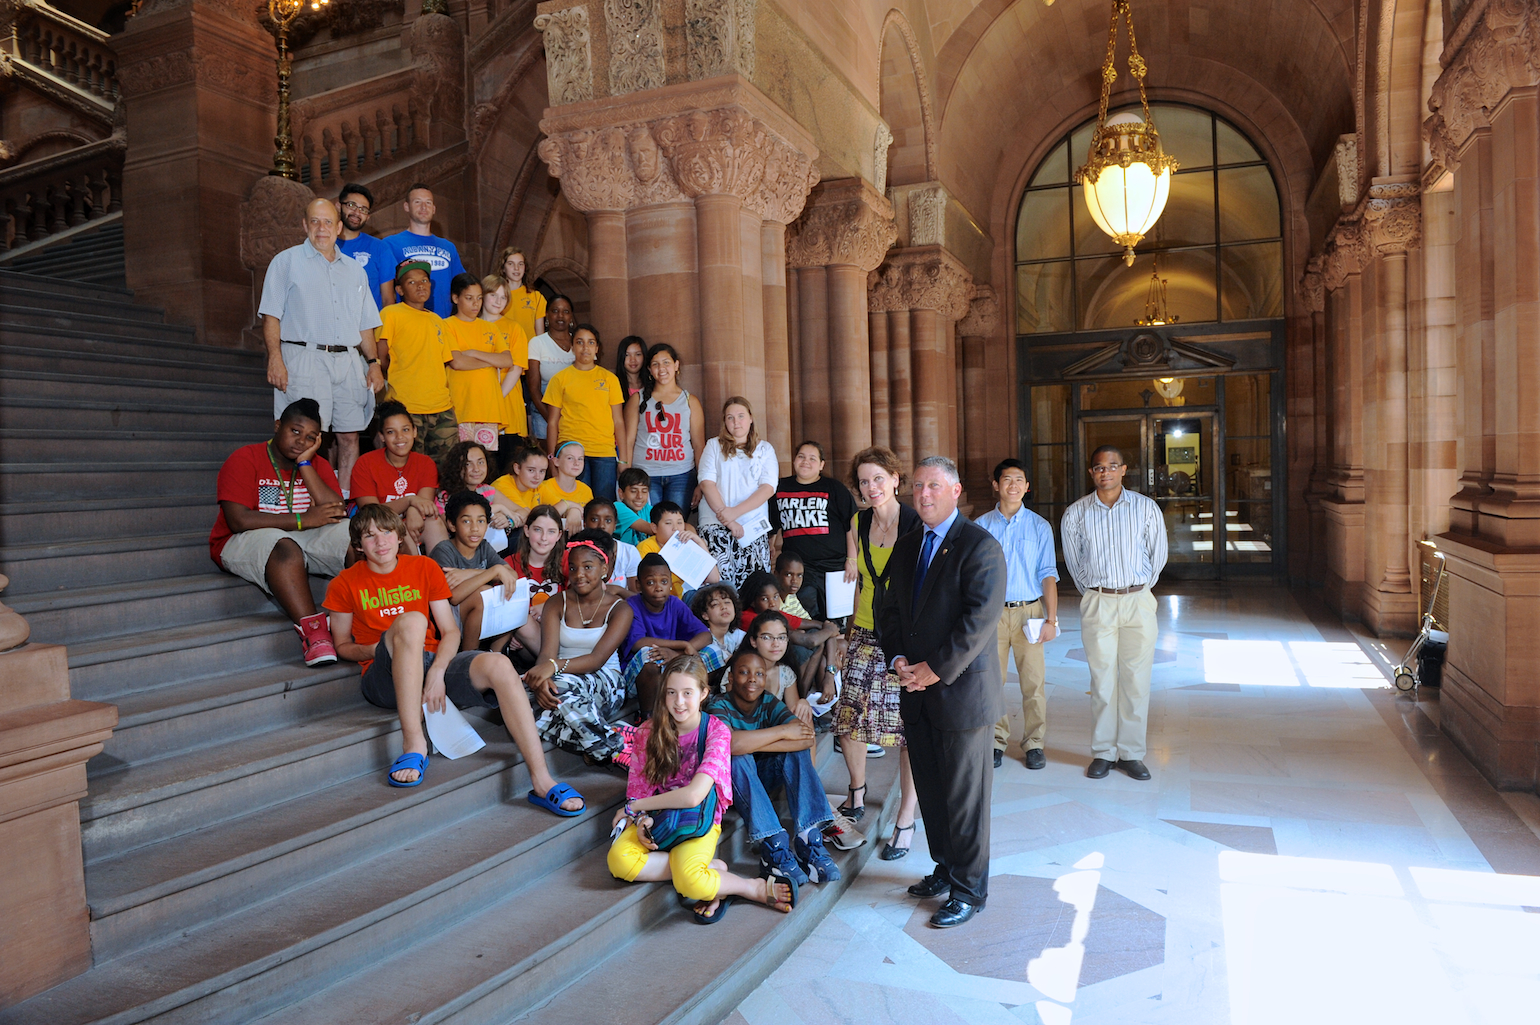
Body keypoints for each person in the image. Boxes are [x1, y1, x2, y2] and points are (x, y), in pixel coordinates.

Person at [324, 504, 585, 815]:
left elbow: (449, 632)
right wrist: (388, 647)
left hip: (432, 661)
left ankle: (542, 780)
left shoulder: (423, 568)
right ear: (358, 545)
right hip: (382, 676)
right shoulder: (344, 582)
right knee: (412, 622)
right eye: (370, 536)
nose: (380, 542)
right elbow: (342, 645)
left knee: (500, 664)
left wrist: (436, 672)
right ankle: (414, 744)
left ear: (399, 536)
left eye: (386, 532)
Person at [876, 456, 1007, 930]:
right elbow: (887, 608)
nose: (924, 495)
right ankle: (946, 868)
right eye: (917, 487)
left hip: (961, 696)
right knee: (931, 791)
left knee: (965, 798)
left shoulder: (980, 547)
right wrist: (897, 661)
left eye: (934, 486)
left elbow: (978, 622)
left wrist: (934, 669)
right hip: (914, 689)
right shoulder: (909, 545)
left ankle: (970, 890)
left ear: (955, 491)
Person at [607, 653, 795, 924]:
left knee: (691, 885)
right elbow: (640, 788)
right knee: (619, 861)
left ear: (704, 692)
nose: (678, 702)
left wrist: (633, 808)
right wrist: (640, 818)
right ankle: (709, 871)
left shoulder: (716, 732)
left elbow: (694, 794)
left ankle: (750, 887)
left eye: (687, 692)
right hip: (657, 817)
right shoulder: (648, 732)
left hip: (697, 819)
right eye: (671, 692)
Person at [209, 398, 349, 666]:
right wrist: (301, 520)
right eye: (295, 431)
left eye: (310, 437)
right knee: (283, 546)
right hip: (244, 538)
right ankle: (315, 635)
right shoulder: (245, 458)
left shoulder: (315, 463)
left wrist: (306, 465)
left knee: (359, 535)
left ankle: (370, 616)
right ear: (277, 426)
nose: (300, 441)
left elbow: (335, 511)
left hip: (301, 534)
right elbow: (238, 520)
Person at [260, 197, 385, 495]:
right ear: (305, 225)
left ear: (339, 227)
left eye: (328, 222)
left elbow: (365, 324)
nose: (321, 228)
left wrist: (373, 363)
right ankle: (302, 499)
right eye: (314, 221)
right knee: (306, 436)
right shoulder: (286, 261)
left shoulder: (355, 270)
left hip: (347, 361)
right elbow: (271, 316)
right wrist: (274, 358)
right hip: (303, 357)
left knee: (350, 435)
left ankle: (342, 503)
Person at [832, 446, 921, 856]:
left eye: (879, 479)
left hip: (905, 636)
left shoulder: (916, 523)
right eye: (864, 481)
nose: (872, 487)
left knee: (907, 731)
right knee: (848, 718)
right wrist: (848, 634)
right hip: (865, 630)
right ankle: (856, 791)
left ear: (896, 480)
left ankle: (906, 818)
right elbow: (860, 585)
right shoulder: (858, 521)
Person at [1059, 444, 1167, 782]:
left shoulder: (1146, 509)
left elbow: (1158, 554)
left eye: (1112, 466)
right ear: (1091, 473)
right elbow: (1075, 564)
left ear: (1123, 470)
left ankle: (1132, 754)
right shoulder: (1075, 514)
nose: (1105, 472)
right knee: (1102, 681)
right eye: (1099, 467)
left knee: (1136, 681)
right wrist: (1099, 592)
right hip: (1098, 601)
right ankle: (1104, 752)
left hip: (1138, 601)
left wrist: (1135, 589)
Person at [706, 649, 841, 886]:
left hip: (761, 777)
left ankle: (809, 839)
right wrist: (781, 731)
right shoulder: (719, 705)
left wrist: (758, 742)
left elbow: (806, 739)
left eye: (759, 674)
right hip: (732, 786)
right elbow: (732, 744)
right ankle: (773, 845)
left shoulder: (768, 701)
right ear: (730, 677)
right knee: (736, 758)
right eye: (744, 672)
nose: (752, 679)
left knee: (796, 751)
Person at [975, 458, 1060, 771]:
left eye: (1019, 480)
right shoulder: (981, 526)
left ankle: (1034, 743)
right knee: (990, 682)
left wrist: (1051, 620)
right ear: (996, 485)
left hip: (1029, 613)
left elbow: (1048, 573)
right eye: (1006, 479)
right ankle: (996, 741)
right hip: (991, 615)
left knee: (1033, 683)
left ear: (1027, 486)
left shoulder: (1039, 526)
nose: (1013, 485)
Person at [520, 531, 634, 760]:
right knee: (514, 698)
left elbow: (596, 660)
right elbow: (546, 653)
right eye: (573, 568)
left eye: (588, 567)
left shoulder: (621, 609)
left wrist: (551, 669)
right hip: (560, 678)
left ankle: (606, 748)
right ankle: (609, 742)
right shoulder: (556, 603)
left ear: (604, 569)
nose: (579, 574)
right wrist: (543, 680)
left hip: (605, 680)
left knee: (556, 693)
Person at [376, 260, 457, 462]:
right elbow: (380, 357)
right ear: (399, 290)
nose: (420, 285)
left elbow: (444, 362)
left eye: (424, 280)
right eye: (412, 282)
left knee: (447, 468)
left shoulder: (437, 320)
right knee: (409, 466)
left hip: (441, 408)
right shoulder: (391, 314)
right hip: (407, 408)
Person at [770, 441, 859, 620]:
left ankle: (835, 647)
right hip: (800, 568)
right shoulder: (779, 488)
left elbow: (850, 525)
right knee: (806, 617)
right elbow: (772, 525)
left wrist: (852, 559)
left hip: (834, 565)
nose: (805, 462)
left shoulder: (834, 488)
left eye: (812, 458)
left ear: (821, 465)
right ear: (794, 460)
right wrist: (770, 550)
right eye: (801, 456)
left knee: (836, 619)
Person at [622, 554, 722, 712]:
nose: (658, 587)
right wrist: (683, 646)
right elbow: (638, 643)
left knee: (714, 651)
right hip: (640, 677)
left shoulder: (675, 603)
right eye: (650, 582)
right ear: (638, 585)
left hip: (673, 665)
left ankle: (698, 704)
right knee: (648, 655)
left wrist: (677, 654)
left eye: (664, 581)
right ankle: (650, 717)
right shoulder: (631, 605)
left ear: (670, 582)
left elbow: (706, 635)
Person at [697, 397, 777, 590]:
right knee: (722, 590)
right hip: (716, 527)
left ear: (750, 418)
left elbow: (768, 488)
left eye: (741, 416)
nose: (736, 422)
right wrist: (729, 520)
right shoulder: (713, 445)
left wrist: (735, 513)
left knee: (756, 590)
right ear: (724, 422)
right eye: (730, 417)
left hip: (751, 529)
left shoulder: (765, 449)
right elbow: (707, 483)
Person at [350, 400, 448, 554]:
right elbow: (372, 512)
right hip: (380, 527)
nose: (400, 437)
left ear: (415, 432)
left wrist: (413, 510)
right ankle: (415, 573)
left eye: (405, 430)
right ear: (381, 436)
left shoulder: (425, 463)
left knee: (434, 522)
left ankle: (446, 573)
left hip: (414, 522)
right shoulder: (365, 463)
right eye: (391, 432)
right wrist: (409, 501)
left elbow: (425, 503)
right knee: (401, 531)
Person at [429, 490, 520, 651]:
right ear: (452, 524)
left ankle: (496, 653)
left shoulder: (484, 547)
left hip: (481, 618)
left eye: (481, 521)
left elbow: (511, 575)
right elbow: (454, 597)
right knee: (483, 593)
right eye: (466, 522)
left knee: (510, 592)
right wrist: (493, 572)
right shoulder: (444, 550)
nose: (475, 528)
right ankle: (468, 655)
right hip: (450, 620)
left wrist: (471, 573)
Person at [543, 323, 624, 501]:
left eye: (590, 342)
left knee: (604, 506)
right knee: (576, 506)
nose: (585, 348)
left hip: (604, 453)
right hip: (571, 453)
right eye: (579, 342)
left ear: (597, 348)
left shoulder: (610, 379)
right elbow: (552, 422)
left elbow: (618, 421)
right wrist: (552, 459)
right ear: (572, 347)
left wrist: (624, 460)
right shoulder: (559, 379)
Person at [623, 343, 705, 508]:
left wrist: (701, 482)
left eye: (666, 362)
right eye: (655, 364)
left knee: (675, 528)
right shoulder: (637, 399)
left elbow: (698, 445)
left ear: (676, 365)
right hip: (644, 476)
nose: (661, 368)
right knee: (649, 525)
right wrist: (626, 475)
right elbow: (628, 441)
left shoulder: (691, 401)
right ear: (650, 370)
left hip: (681, 476)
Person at [442, 273, 513, 451]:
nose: (476, 304)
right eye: (469, 298)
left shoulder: (491, 328)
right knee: (460, 461)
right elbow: (457, 362)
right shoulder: (447, 325)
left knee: (484, 465)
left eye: (479, 298)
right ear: (455, 298)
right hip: (460, 406)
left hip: (488, 407)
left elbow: (507, 360)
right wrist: (491, 361)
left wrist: (473, 353)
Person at [382, 183, 465, 318]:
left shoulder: (448, 247)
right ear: (406, 207)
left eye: (428, 202)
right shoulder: (390, 244)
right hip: (408, 323)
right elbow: (386, 291)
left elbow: (461, 285)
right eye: (417, 202)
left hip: (443, 323)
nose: (423, 207)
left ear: (433, 209)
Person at [436, 440, 520, 552]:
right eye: (468, 464)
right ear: (456, 467)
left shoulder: (487, 490)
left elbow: (524, 512)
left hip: (491, 547)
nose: (476, 469)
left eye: (481, 462)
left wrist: (509, 521)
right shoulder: (445, 497)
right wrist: (499, 508)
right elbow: (455, 524)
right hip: (462, 552)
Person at [478, 272, 531, 444]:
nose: (498, 301)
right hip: (477, 402)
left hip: (506, 401)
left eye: (503, 297)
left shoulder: (514, 328)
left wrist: (497, 398)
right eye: (493, 295)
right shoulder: (470, 325)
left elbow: (516, 367)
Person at [736, 610, 812, 725]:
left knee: (804, 713)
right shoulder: (739, 672)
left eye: (781, 637)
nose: (776, 644)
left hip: (775, 732)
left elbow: (795, 716)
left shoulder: (785, 672)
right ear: (753, 641)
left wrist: (802, 703)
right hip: (746, 733)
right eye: (767, 637)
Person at [634, 501, 721, 598]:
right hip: (666, 599)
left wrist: (700, 543)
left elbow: (714, 579)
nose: (675, 528)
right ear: (654, 528)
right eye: (668, 523)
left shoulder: (686, 544)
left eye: (680, 523)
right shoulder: (646, 547)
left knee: (725, 586)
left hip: (689, 595)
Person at [334, 183, 395, 312]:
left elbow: (388, 300)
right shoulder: (325, 245)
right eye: (351, 205)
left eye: (363, 209)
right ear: (338, 206)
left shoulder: (380, 248)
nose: (357, 213)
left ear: (368, 217)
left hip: (369, 328)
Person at [526, 295, 576, 442]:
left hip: (575, 414)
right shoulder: (537, 343)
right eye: (555, 311)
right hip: (544, 413)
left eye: (566, 311)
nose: (560, 316)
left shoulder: (579, 342)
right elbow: (533, 389)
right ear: (547, 315)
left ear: (571, 316)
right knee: (548, 461)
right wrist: (553, 421)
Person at [583, 498, 641, 593]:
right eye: (594, 519)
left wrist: (617, 590)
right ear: (584, 523)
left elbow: (635, 597)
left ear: (615, 525)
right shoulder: (577, 552)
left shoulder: (629, 552)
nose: (602, 525)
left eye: (608, 520)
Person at [538, 440, 594, 533]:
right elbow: (538, 519)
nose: (576, 463)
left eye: (580, 459)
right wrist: (572, 507)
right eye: (570, 458)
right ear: (556, 461)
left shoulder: (586, 490)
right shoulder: (542, 487)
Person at [498, 246, 546, 341]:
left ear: (525, 268)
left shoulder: (536, 296)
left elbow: (540, 334)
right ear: (503, 268)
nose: (516, 268)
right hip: (504, 351)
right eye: (511, 264)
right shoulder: (496, 296)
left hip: (529, 352)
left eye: (520, 264)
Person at [691, 583, 744, 669]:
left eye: (727, 602)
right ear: (705, 615)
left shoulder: (735, 634)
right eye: (715, 604)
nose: (724, 607)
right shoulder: (702, 639)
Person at [490, 444, 549, 520]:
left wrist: (567, 505)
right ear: (517, 468)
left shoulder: (539, 486)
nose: (537, 477)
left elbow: (555, 509)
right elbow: (528, 517)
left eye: (542, 471)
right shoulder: (503, 485)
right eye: (531, 470)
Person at [614, 467, 655, 545]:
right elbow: (653, 529)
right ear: (621, 493)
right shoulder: (617, 508)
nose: (639, 496)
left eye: (644, 491)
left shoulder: (646, 508)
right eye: (633, 491)